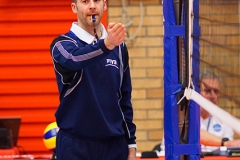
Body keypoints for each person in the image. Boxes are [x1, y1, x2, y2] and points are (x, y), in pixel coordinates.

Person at [49, 0, 137, 160]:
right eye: (85, 1)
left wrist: (131, 144)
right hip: (75, 146)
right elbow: (74, 58)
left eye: (96, 1)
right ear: (74, 7)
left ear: (105, 4)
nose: (92, 6)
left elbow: (124, 99)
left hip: (114, 147)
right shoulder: (61, 45)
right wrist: (106, 45)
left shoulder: (119, 47)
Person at [160, 70, 240, 152]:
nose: (213, 96)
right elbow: (193, 133)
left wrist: (227, 144)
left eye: (216, 91)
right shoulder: (182, 114)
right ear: (196, 93)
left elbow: (228, 149)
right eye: (208, 91)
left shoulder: (225, 118)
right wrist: (224, 142)